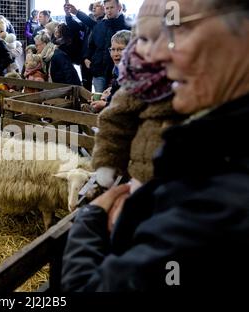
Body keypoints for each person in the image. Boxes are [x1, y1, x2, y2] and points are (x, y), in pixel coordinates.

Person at [61, 0, 249, 291]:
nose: (154, 55)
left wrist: (88, 224)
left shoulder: (224, 194)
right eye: (147, 38)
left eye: (180, 29)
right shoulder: (206, 138)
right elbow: (115, 122)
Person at [82, 29, 131, 113]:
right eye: (113, 49)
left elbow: (131, 104)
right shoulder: (117, 70)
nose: (115, 54)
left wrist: (105, 105)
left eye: (120, 49)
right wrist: (106, 97)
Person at [85, 0, 130, 92]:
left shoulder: (128, 26)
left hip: (119, 71)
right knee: (99, 99)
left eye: (112, 7)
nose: (109, 10)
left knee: (115, 99)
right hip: (98, 70)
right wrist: (87, 58)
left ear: (119, 8)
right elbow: (91, 45)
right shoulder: (99, 26)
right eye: (107, 8)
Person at [64, 2, 105, 91]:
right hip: (85, 59)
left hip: (97, 61)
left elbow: (92, 24)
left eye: (97, 6)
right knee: (85, 87)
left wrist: (77, 12)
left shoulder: (103, 23)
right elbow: (74, 26)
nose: (94, 8)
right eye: (93, 7)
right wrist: (68, 15)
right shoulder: (89, 23)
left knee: (99, 90)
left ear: (104, 8)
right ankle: (86, 104)